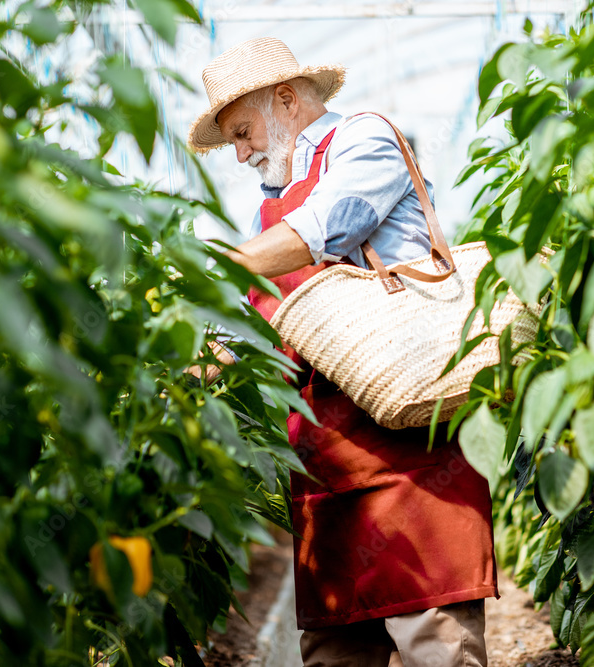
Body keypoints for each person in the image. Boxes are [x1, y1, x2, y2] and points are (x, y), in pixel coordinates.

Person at [187, 37, 498, 667]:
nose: (242, 155)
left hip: (410, 463)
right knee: (332, 653)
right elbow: (255, 323)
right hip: (326, 473)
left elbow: (325, 227)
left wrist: (201, 270)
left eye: (243, 133)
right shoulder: (265, 215)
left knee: (433, 645)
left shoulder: (364, 142)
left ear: (285, 99)